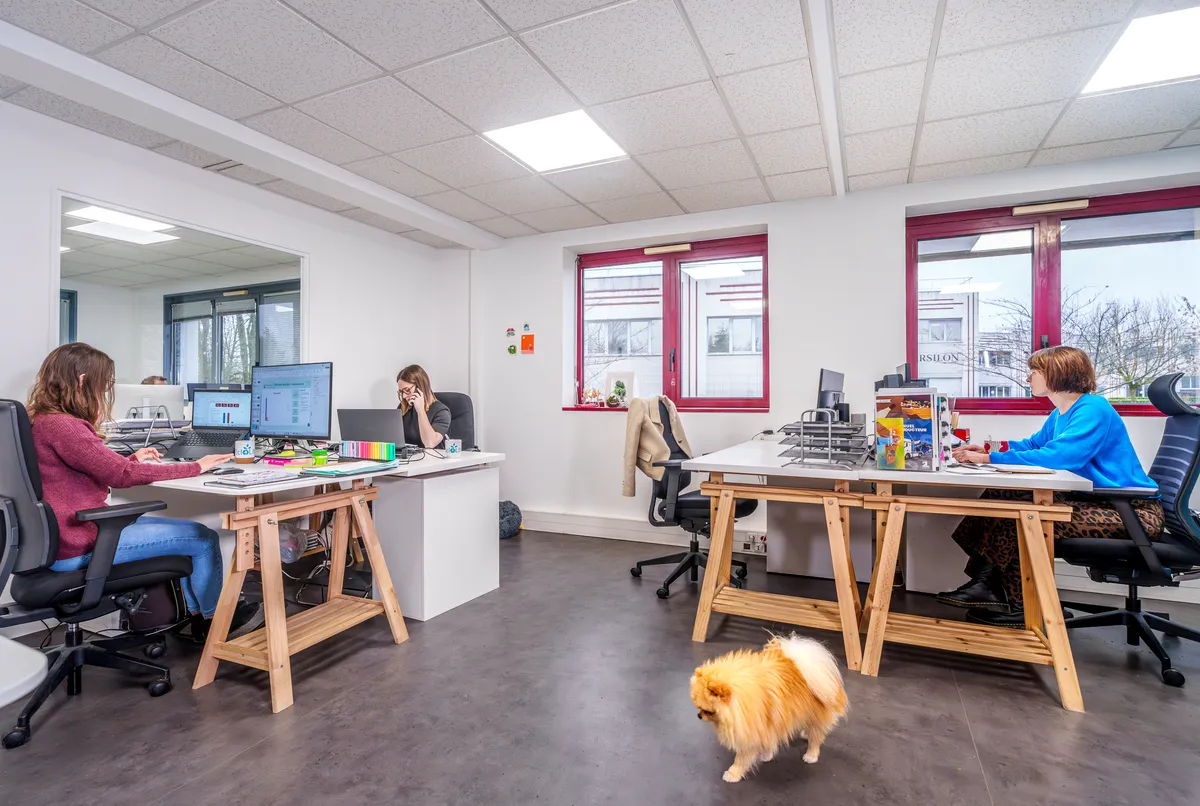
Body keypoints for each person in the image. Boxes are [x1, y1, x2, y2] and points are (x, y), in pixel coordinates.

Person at [28, 343, 260, 639]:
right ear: (84, 380)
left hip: (61, 537)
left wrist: (130, 458)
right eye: (102, 383)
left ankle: (201, 616)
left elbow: (90, 469)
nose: (104, 391)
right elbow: (121, 476)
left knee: (190, 533)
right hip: (80, 542)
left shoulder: (39, 420)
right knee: (203, 538)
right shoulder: (65, 426)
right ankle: (216, 622)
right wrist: (196, 466)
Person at [938, 345, 1162, 628]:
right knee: (1003, 495)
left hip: (1130, 512)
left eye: (1034, 372)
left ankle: (1022, 604)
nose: (1028, 378)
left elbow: (1061, 456)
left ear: (1057, 373)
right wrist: (987, 447)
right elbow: (1034, 445)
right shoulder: (1061, 414)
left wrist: (989, 458)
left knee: (1022, 518)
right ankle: (989, 585)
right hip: (1101, 503)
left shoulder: (1094, 409)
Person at [396, 365, 451, 449]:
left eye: (407, 390)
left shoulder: (441, 412)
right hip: (409, 459)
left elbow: (430, 443)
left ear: (420, 387)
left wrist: (420, 411)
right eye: (401, 392)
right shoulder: (404, 407)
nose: (403, 396)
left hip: (432, 460)